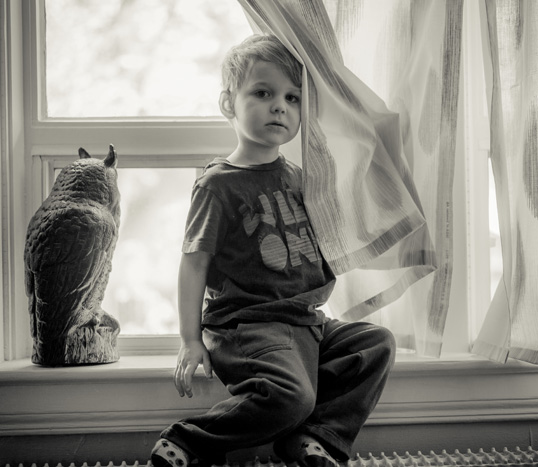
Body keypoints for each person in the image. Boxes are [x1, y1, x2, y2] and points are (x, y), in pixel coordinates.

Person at [151, 34, 396, 467]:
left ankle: (312, 438)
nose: (279, 106)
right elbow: (193, 263)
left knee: (375, 343)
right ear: (229, 103)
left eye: (293, 97)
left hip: (305, 322)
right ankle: (192, 441)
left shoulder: (303, 179)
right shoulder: (218, 185)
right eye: (263, 93)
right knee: (291, 396)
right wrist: (190, 339)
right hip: (249, 325)